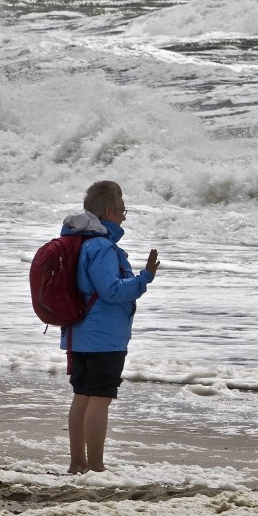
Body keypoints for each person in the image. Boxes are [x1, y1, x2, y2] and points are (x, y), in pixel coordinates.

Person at [60, 181, 159, 474]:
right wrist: (145, 278)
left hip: (79, 333)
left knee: (82, 395)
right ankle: (95, 465)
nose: (124, 217)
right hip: (102, 337)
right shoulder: (102, 247)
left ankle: (78, 463)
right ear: (108, 211)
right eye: (121, 211)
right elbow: (112, 291)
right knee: (100, 397)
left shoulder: (80, 241)